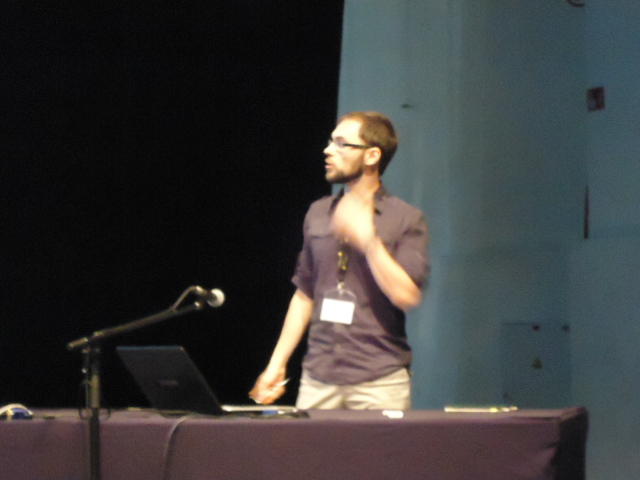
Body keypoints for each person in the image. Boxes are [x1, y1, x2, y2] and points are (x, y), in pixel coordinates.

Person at [249, 111, 429, 409]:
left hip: (379, 381)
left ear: (372, 155)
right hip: (317, 379)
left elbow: (407, 295)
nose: (328, 150)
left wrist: (369, 242)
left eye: (342, 144)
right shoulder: (318, 213)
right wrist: (276, 363)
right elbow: (304, 294)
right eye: (331, 141)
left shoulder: (406, 218)